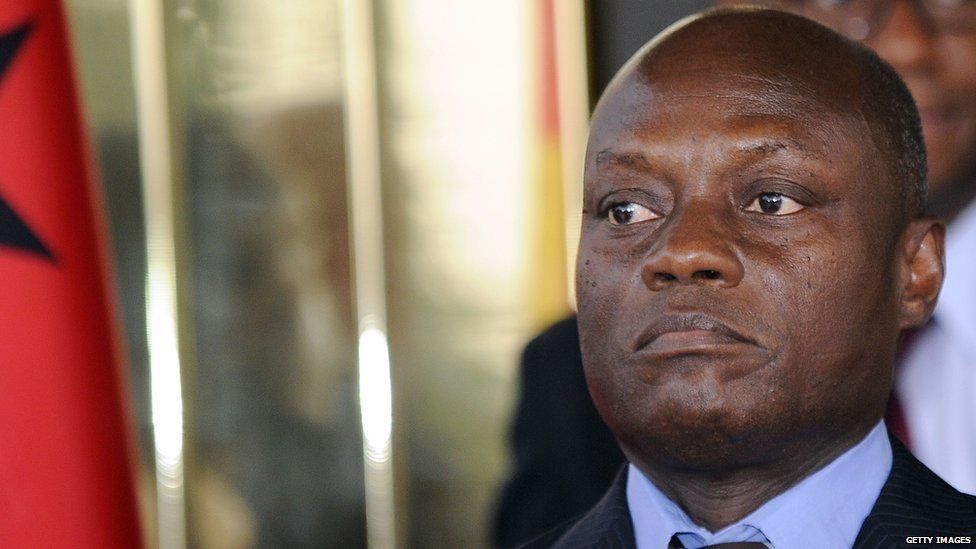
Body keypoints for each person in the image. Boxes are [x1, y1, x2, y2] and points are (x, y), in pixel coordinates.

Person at [494, 1, 976, 546]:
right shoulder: (556, 396)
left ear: (916, 271)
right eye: (626, 210)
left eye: (772, 202)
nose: (683, 252)